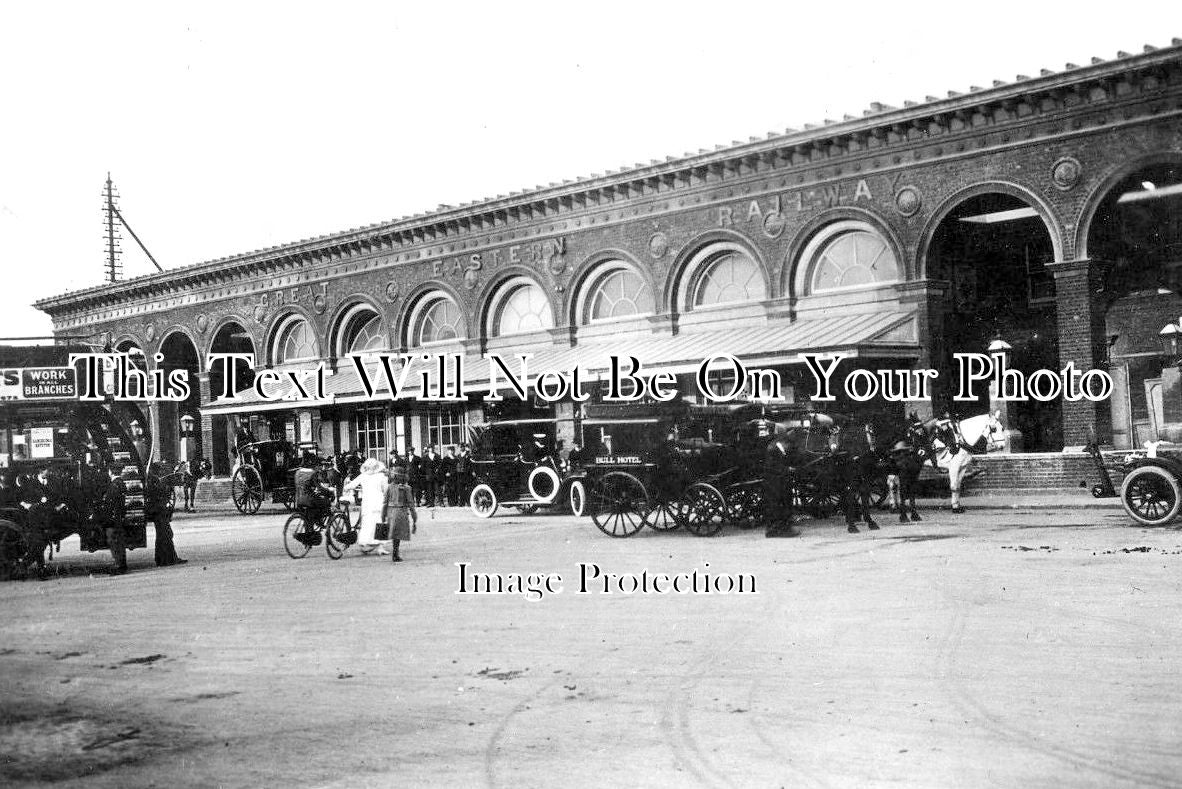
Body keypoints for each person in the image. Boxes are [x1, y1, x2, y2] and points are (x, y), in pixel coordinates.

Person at [342, 457, 389, 554]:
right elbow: (386, 490)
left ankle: (365, 543)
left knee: (367, 523)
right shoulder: (381, 477)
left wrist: (346, 488)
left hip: (367, 502)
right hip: (379, 502)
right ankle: (380, 547)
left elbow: (351, 485)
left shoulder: (363, 476)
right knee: (381, 522)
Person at [763, 435, 801, 538]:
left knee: (778, 504)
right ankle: (779, 529)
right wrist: (788, 469)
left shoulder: (774, 445)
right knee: (781, 503)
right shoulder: (776, 447)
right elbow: (774, 465)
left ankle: (776, 528)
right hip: (777, 482)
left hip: (775, 480)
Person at [146, 473, 186, 566]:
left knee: (164, 536)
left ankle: (164, 558)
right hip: (160, 515)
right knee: (165, 535)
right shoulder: (155, 491)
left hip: (160, 515)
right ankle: (167, 559)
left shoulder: (155, 490)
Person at [97, 465, 129, 575]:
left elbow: (111, 504)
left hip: (113, 519)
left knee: (114, 541)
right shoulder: (120, 484)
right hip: (118, 518)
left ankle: (118, 565)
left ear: (111, 472)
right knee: (119, 542)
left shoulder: (114, 485)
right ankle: (121, 564)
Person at [382, 464, 417, 562]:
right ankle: (395, 553)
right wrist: (415, 520)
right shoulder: (407, 488)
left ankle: (395, 553)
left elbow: (384, 503)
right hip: (401, 511)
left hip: (391, 511)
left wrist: (383, 516)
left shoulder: (389, 487)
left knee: (394, 533)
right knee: (398, 534)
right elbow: (411, 504)